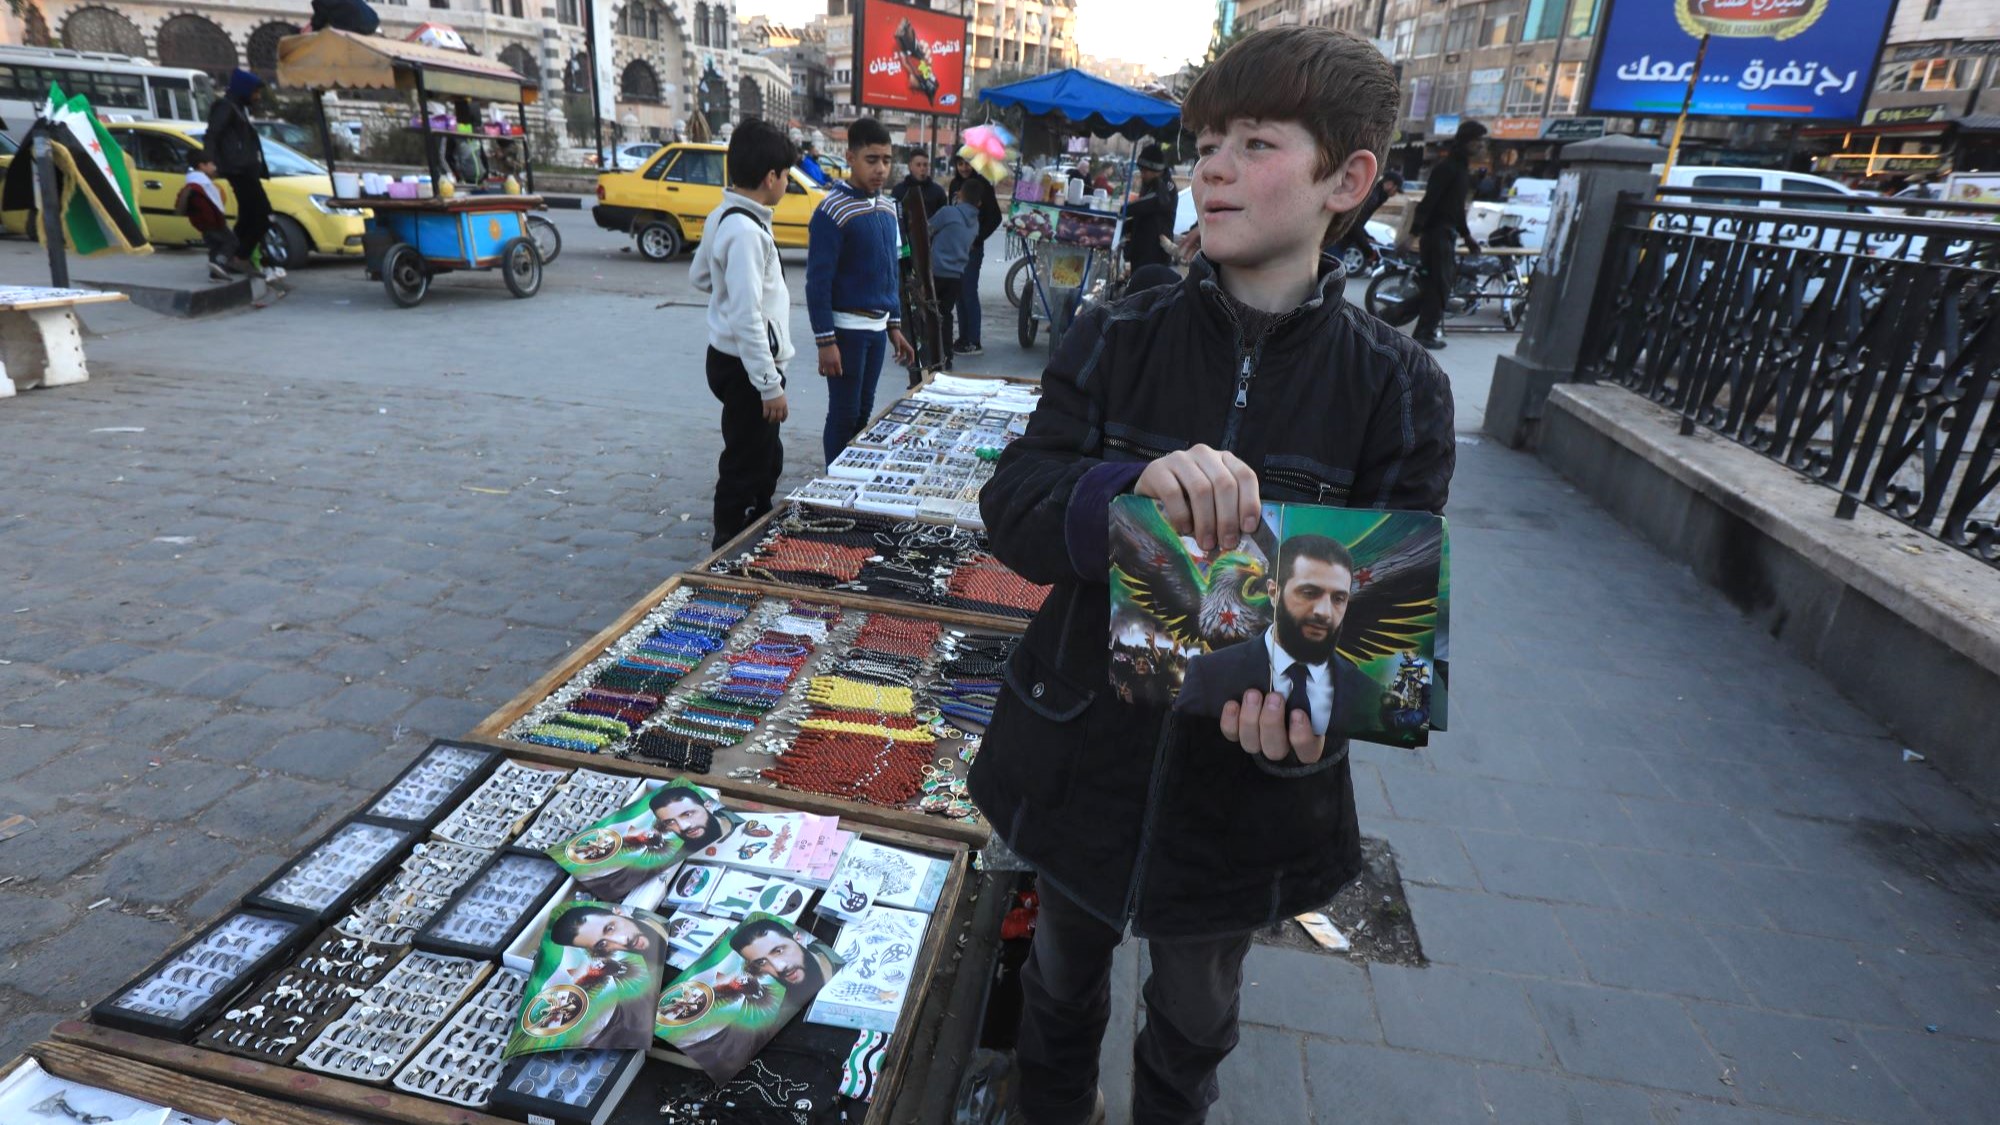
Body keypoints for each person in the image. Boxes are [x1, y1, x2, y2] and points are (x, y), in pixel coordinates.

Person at [965, 26, 1452, 1125]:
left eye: (1255, 142)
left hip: (1242, 796)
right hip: (1078, 747)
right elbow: (1015, 509)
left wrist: (1316, 718)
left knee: (1193, 1017)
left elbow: (1379, 618)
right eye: (1206, 142)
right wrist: (1125, 490)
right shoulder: (1117, 329)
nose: (1213, 168)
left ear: (1347, 178)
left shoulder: (1399, 389)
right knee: (1053, 982)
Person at [691, 119, 799, 550]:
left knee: (764, 452)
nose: (788, 182)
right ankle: (728, 541)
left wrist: (728, 288)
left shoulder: (724, 215)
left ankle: (757, 519)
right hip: (749, 368)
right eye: (787, 175)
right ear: (771, 177)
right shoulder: (745, 231)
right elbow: (748, 318)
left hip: (730, 359)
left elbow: (700, 276)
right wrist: (769, 385)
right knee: (745, 456)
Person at [1177, 535, 1378, 737]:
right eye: (1308, 592)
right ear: (1273, 593)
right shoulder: (1205, 674)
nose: (1324, 612)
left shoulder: (1370, 696)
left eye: (1339, 598)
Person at [805, 116, 915, 466]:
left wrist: (894, 325)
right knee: (843, 414)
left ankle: (852, 476)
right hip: (845, 332)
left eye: (886, 160)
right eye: (872, 160)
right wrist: (826, 342)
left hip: (876, 330)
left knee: (864, 412)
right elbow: (817, 282)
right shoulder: (831, 210)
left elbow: (890, 271)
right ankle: (834, 486)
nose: (881, 169)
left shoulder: (887, 207)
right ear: (850, 158)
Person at [548, 906, 669, 1048]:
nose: (622, 941)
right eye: (602, 944)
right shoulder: (637, 976)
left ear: (618, 912)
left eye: (610, 928)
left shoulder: (660, 921)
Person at [1411, 119, 1485, 350]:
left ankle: (1395, 318)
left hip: (1447, 234)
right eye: (1476, 141)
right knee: (1439, 287)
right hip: (1436, 235)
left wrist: (1467, 236)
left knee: (1436, 287)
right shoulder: (1447, 168)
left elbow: (1457, 208)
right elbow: (1429, 201)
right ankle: (1424, 333)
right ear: (1465, 141)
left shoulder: (1461, 170)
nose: (1480, 146)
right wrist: (1413, 234)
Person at [205, 68, 278, 279]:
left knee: (248, 217)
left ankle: (224, 259)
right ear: (245, 90)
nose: (257, 97)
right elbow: (212, 134)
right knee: (263, 216)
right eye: (255, 92)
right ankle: (239, 257)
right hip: (239, 170)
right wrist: (207, 163)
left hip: (245, 170)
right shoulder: (226, 107)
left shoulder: (238, 109)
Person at [946, 154, 1001, 357]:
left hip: (972, 249)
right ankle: (963, 338)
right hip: (955, 247)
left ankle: (974, 340)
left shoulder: (982, 185)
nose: (964, 167)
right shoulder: (954, 185)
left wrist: (977, 239)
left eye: (967, 163)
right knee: (958, 293)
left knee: (968, 292)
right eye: (960, 164)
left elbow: (996, 217)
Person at [927, 178, 983, 370]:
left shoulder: (948, 213)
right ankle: (947, 356)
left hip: (936, 271)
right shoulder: (975, 224)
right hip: (956, 275)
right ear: (979, 203)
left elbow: (927, 228)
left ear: (959, 195)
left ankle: (931, 355)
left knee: (929, 313)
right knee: (946, 314)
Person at [174, 150, 237, 282]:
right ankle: (220, 264)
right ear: (202, 166)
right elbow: (210, 205)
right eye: (211, 164)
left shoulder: (195, 183)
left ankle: (215, 275)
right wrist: (217, 220)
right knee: (231, 242)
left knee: (215, 247)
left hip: (204, 224)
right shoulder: (201, 185)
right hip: (213, 222)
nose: (214, 167)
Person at [1122, 142, 1177, 272]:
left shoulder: (1165, 186)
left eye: (1145, 171)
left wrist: (1122, 209)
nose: (1142, 175)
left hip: (1154, 254)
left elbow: (1147, 204)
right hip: (1142, 252)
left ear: (1156, 170)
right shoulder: (1151, 183)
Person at [1332, 169, 1401, 269]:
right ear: (1390, 184)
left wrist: (1369, 238)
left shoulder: (1376, 195)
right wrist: (1368, 252)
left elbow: (1357, 223)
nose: (1395, 194)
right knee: (1328, 276)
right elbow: (1353, 224)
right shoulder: (1373, 198)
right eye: (1397, 189)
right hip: (1337, 240)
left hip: (1339, 239)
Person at [889, 151, 946, 220]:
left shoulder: (938, 192)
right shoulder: (898, 190)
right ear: (910, 167)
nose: (922, 168)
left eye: (925, 165)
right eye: (918, 165)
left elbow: (943, 218)